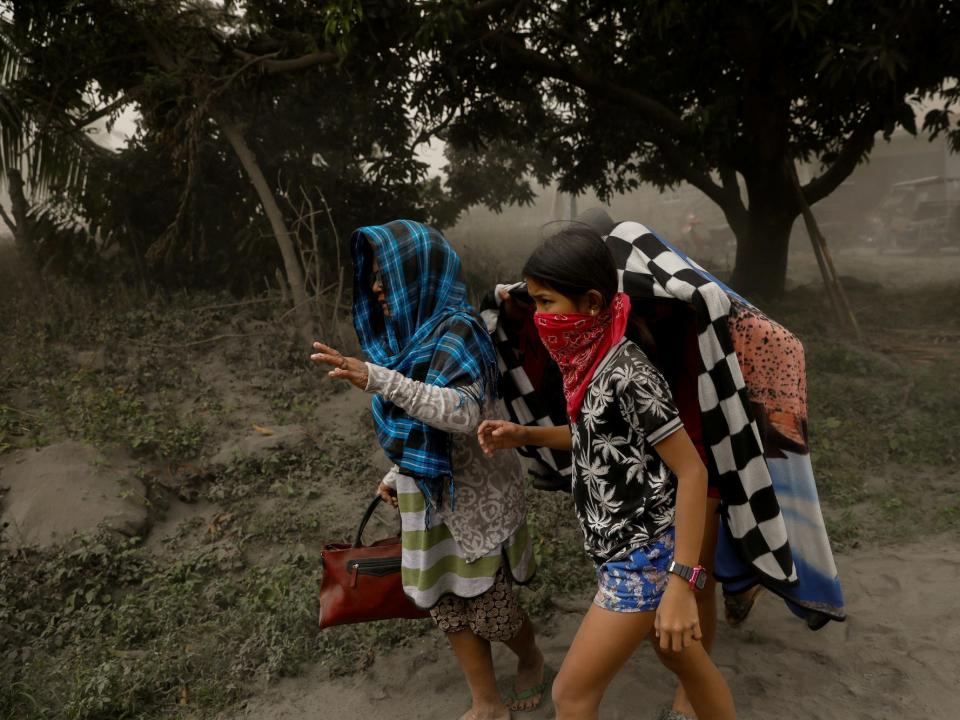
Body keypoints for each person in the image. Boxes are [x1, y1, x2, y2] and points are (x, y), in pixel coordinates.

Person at [477, 226, 736, 720]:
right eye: (534, 303)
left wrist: (682, 583)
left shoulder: (627, 372)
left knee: (571, 694)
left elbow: (693, 473)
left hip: (643, 557)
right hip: (624, 549)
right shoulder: (590, 360)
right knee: (685, 661)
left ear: (593, 302)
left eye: (547, 302)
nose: (540, 317)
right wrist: (525, 435)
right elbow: (600, 440)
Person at [310, 220, 547, 720]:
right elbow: (418, 429)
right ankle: (486, 702)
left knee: (491, 607)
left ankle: (530, 657)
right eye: (373, 277)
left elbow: (463, 413)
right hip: (426, 495)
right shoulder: (406, 334)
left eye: (386, 274)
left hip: (473, 498)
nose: (376, 288)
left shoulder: (461, 329)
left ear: (420, 273)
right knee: (442, 599)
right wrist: (398, 474)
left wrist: (378, 378)